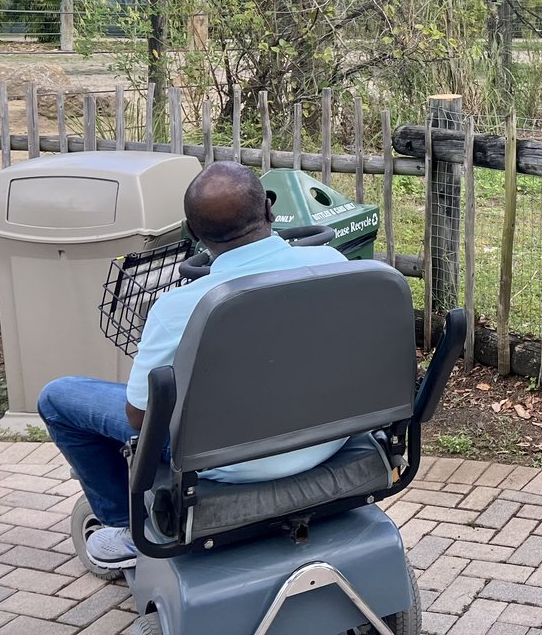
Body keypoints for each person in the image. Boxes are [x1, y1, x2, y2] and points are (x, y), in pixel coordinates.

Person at [38, 161, 349, 570]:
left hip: (231, 464)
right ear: (270, 209)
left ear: (192, 231)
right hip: (328, 437)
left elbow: (138, 416)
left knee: (58, 397)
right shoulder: (333, 263)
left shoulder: (179, 307)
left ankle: (125, 527)